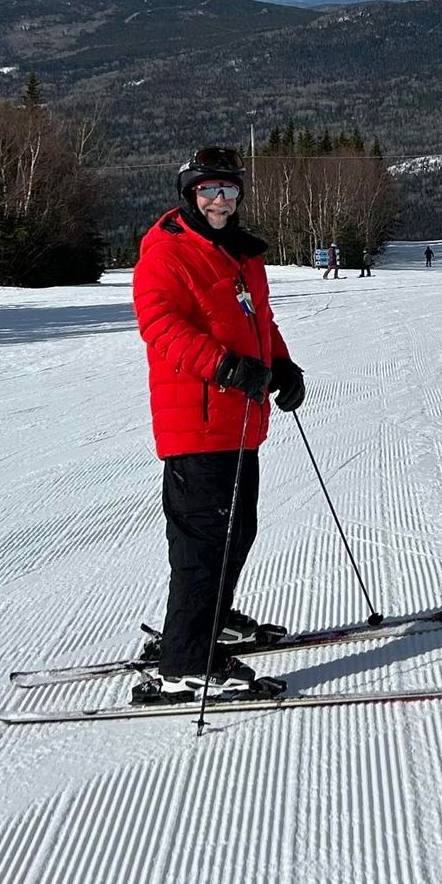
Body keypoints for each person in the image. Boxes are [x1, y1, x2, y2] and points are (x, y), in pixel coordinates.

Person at [132, 144, 305, 705]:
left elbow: (259, 321)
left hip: (239, 422)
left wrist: (281, 363)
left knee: (237, 531)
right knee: (203, 543)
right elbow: (160, 326)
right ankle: (185, 659)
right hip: (197, 423)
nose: (219, 200)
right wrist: (227, 367)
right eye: (208, 189)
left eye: (228, 190)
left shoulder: (239, 255)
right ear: (190, 193)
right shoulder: (167, 254)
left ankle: (211, 621)